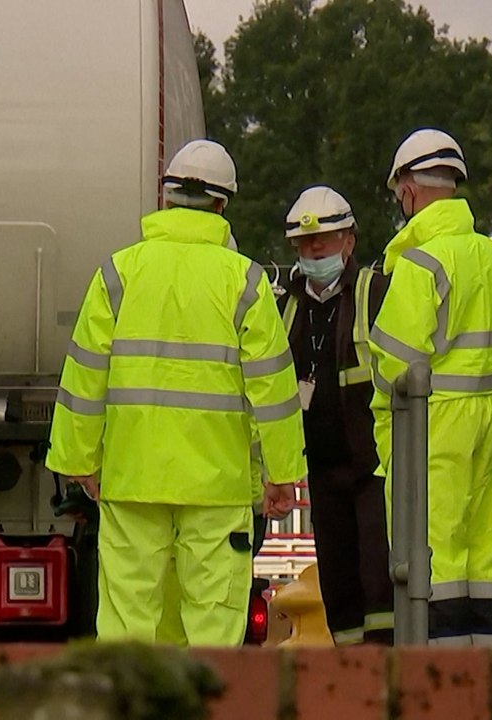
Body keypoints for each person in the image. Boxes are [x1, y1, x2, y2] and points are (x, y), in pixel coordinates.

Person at [46, 138, 305, 646]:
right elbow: (273, 389)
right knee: (212, 622)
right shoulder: (246, 282)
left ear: (163, 199)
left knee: (128, 621)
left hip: (131, 477)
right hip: (217, 484)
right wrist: (282, 473)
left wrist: (78, 458)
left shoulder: (118, 274)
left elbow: (84, 376)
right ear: (222, 205)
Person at [369, 129, 492, 646]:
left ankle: (442, 686)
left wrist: (390, 445)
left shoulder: (419, 264)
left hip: (434, 423)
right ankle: (488, 681)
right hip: (489, 418)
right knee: (485, 555)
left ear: (409, 189)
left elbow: (393, 368)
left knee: (434, 558)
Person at [278, 185, 393, 646]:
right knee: (339, 588)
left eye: (324, 241)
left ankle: (383, 676)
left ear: (349, 241)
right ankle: (350, 683)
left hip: (374, 469)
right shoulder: (286, 305)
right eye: (306, 244)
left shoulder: (375, 293)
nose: (315, 250)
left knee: (379, 584)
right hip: (321, 469)